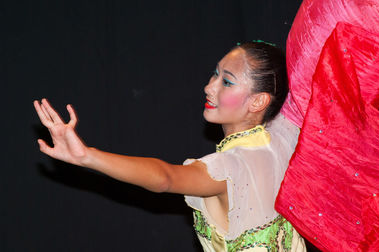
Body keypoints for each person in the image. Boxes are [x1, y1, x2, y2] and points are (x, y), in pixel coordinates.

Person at [34, 41, 306, 251]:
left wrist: (86, 156)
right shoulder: (287, 138)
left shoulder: (230, 166)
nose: (209, 87)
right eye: (215, 74)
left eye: (226, 82)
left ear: (258, 102)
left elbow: (166, 178)